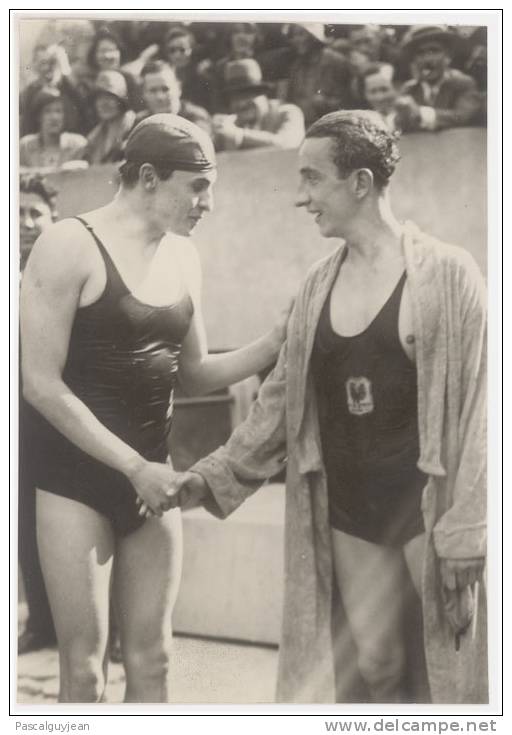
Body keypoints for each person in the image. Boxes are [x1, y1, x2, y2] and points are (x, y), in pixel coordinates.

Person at [168, 110, 487, 704]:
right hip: (351, 506)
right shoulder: (317, 285)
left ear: (360, 183)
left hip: (425, 505)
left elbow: (483, 411)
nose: (301, 197)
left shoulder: (448, 275)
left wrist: (467, 530)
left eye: (313, 179)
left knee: (460, 668)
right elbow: (279, 401)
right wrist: (210, 478)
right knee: (377, 662)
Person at [19, 114, 286, 703]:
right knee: (85, 671)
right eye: (197, 186)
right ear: (147, 177)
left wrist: (274, 341)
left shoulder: (184, 256)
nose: (208, 203)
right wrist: (134, 466)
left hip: (151, 478)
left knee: (155, 660)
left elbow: (194, 372)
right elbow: (38, 382)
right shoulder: (69, 244)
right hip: (74, 483)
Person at [18, 175, 58, 654]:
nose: (26, 224)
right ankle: (42, 624)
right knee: (25, 522)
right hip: (20, 421)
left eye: (35, 214)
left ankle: (111, 628)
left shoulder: (66, 270)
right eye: (18, 214)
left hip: (67, 414)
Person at [396, 25, 481, 132]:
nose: (428, 59)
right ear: (413, 59)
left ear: (447, 55)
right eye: (420, 53)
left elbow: (462, 116)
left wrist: (420, 113)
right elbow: (402, 127)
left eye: (434, 51)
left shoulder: (463, 83)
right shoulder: (409, 89)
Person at [213, 59, 305, 151]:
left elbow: (287, 144)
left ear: (263, 94)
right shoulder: (231, 123)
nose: (241, 103)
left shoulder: (289, 112)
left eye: (248, 94)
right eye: (235, 98)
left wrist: (239, 136)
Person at [284, 23, 355, 127]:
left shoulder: (337, 62)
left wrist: (325, 103)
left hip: (330, 124)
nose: (296, 40)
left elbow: (350, 100)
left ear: (314, 36)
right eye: (294, 35)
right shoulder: (296, 66)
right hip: (302, 126)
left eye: (301, 34)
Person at [20, 44, 88, 137]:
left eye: (52, 62)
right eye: (43, 63)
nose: (49, 67)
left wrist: (63, 69)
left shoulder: (68, 86)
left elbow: (84, 110)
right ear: (35, 65)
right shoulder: (29, 92)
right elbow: (26, 128)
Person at [134, 61, 212, 136]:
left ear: (179, 88)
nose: (160, 97)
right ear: (143, 94)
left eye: (165, 89)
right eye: (153, 91)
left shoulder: (196, 117)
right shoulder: (140, 123)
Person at [20, 87, 88, 171]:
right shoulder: (25, 146)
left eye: (58, 111)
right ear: (38, 116)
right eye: (47, 111)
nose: (54, 117)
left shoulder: (78, 145)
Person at [82, 70, 136, 165]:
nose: (103, 103)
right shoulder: (94, 137)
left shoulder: (134, 128)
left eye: (109, 97)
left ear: (121, 101)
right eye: (99, 98)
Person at [357, 62, 399, 131]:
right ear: (364, 95)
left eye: (384, 89)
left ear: (396, 88)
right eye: (373, 92)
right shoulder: (363, 126)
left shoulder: (419, 116)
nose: (380, 97)